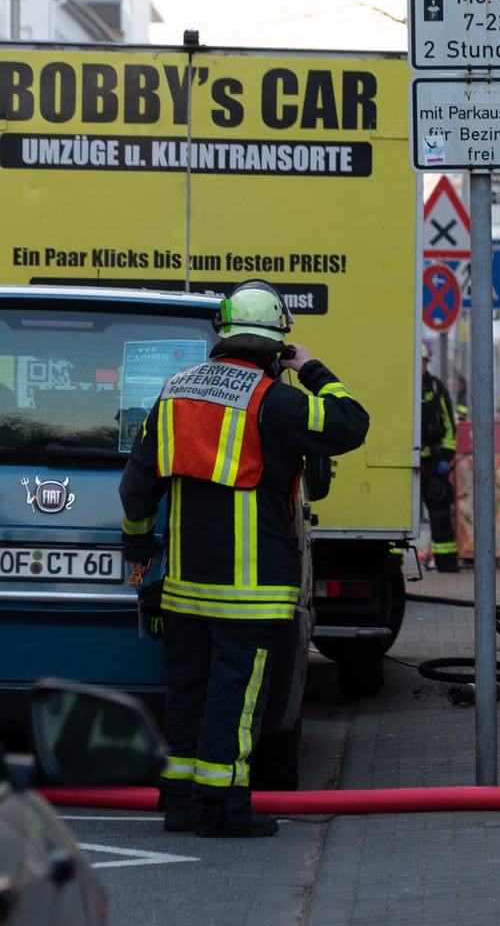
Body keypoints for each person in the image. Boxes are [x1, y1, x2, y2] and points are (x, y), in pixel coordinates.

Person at [119, 280, 369, 837]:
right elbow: (352, 423)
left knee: (187, 696)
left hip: (184, 590)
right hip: (251, 596)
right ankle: (225, 812)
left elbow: (137, 487)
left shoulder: (176, 392)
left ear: (222, 333)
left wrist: (138, 553)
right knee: (236, 701)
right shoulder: (277, 401)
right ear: (277, 344)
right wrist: (313, 368)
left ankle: (181, 805)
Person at [420, 344, 460, 572]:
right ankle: (392, 563)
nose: (420, 366)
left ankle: (446, 562)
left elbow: (448, 424)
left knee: (440, 513)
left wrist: (446, 456)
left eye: (424, 362)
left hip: (433, 463)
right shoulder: (400, 386)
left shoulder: (436, 388)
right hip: (405, 462)